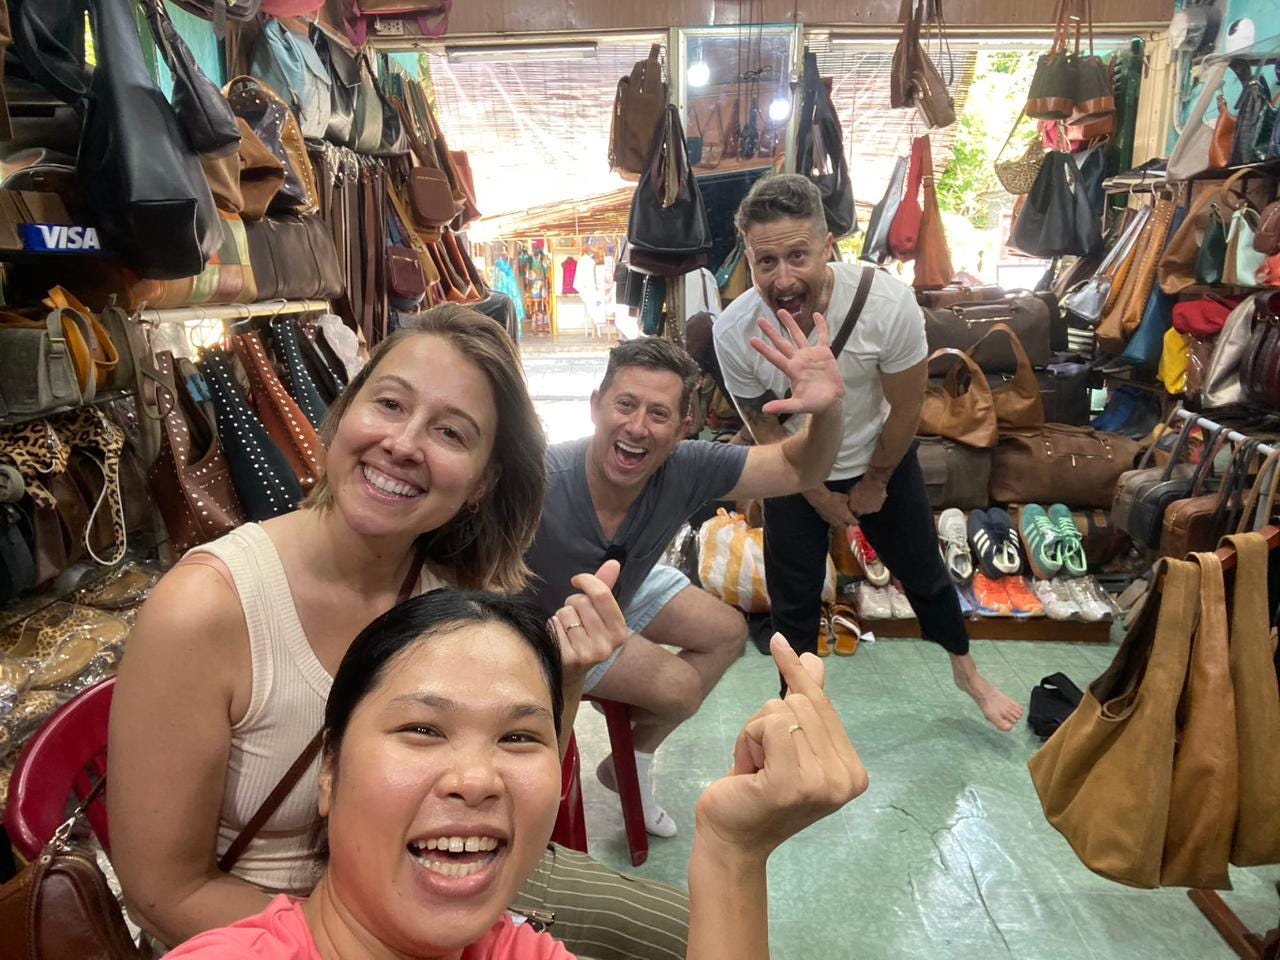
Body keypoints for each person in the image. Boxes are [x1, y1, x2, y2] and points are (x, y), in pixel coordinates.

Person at [108, 306, 688, 960]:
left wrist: (570, 673)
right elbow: (162, 891)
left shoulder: (451, 596)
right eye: (389, 403)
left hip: (447, 890)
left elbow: (498, 795)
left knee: (691, 932)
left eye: (449, 432)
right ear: (342, 414)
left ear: (481, 483)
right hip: (281, 935)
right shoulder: (207, 610)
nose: (404, 443)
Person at [163, 589, 869, 960]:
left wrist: (733, 855)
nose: (477, 779)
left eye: (519, 736)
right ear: (328, 772)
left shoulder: (512, 949)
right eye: (421, 729)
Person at [712, 174, 1023, 732]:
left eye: (798, 256)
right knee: (793, 604)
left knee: (923, 573)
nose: (783, 279)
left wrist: (876, 480)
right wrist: (815, 493)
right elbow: (763, 429)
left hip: (880, 459)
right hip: (793, 472)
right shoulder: (737, 331)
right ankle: (796, 715)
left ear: (828, 245)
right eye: (766, 263)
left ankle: (967, 672)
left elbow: (906, 409)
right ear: (750, 262)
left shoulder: (887, 304)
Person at [524, 314, 846, 837]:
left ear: (681, 430)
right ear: (595, 406)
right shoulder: (540, 480)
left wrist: (829, 409)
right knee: (680, 690)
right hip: (553, 626)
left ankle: (631, 760)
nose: (636, 427)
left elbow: (799, 469)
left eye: (658, 414)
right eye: (624, 405)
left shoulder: (686, 467)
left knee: (726, 631)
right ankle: (634, 758)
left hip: (625, 585)